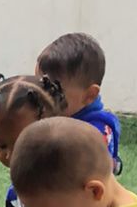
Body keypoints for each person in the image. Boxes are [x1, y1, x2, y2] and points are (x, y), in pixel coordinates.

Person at [0, 72, 65, 207]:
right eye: (1, 145)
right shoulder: (29, 172)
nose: (10, 155)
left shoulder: (60, 183)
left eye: (21, 144)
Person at [36, 32, 122, 174]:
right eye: (40, 87)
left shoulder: (96, 132)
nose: (44, 98)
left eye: (55, 92)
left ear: (89, 95)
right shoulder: (53, 114)